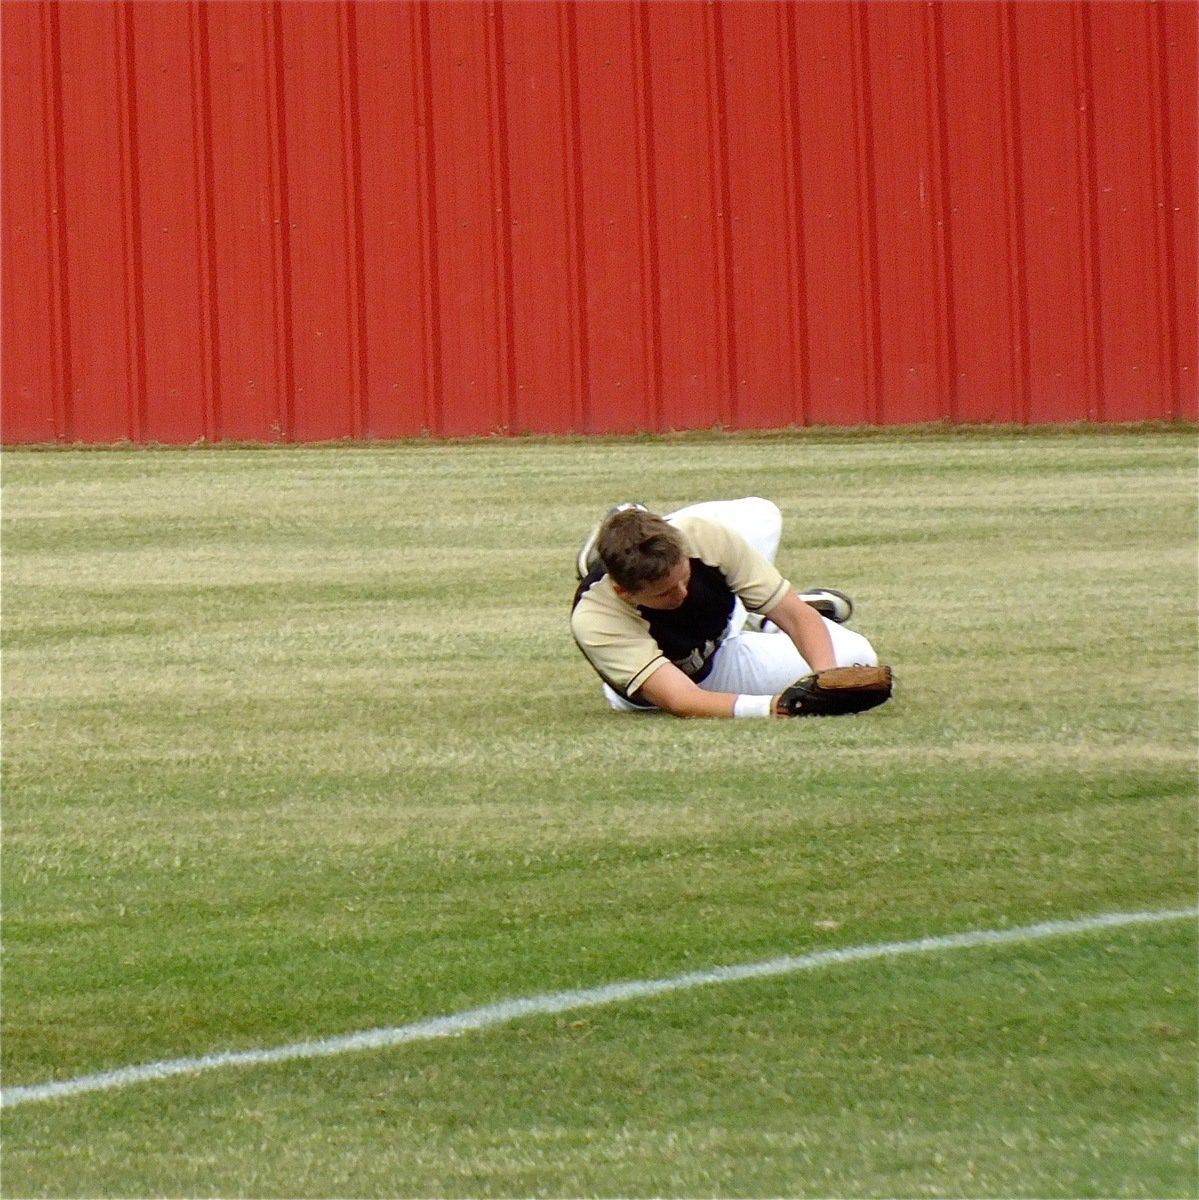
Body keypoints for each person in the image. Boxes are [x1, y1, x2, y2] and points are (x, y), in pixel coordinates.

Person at [570, 498, 880, 718]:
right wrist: (776, 707)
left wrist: (825, 682)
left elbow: (797, 617)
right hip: (696, 676)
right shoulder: (595, 616)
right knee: (859, 654)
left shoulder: (698, 536)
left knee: (762, 513)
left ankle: (765, 617)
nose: (681, 593)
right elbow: (681, 699)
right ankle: (761, 614)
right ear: (623, 590)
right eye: (665, 593)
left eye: (684, 578)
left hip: (716, 633)